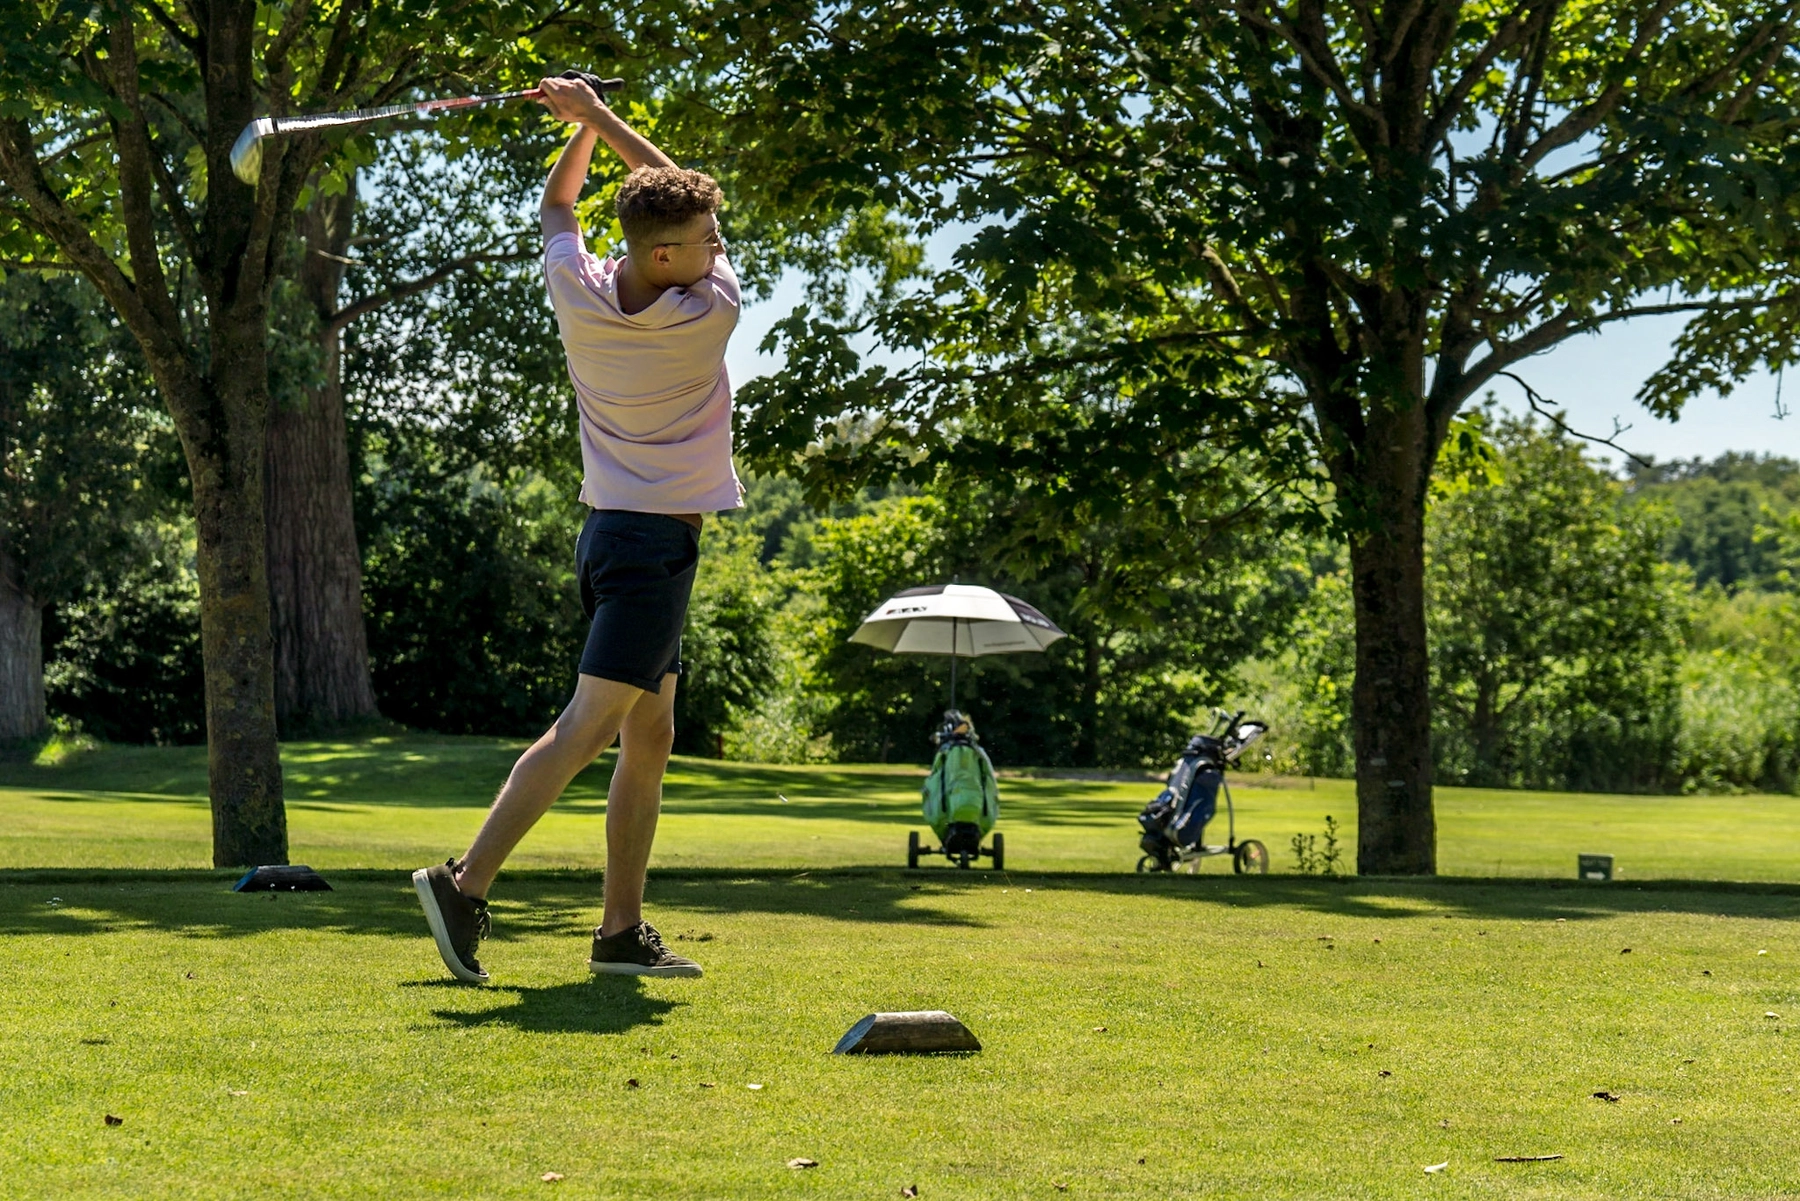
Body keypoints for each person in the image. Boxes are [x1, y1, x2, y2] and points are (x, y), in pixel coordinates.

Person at [413, 73, 741, 983]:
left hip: (610, 541)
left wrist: (582, 128)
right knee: (588, 728)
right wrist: (597, 113)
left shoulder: (577, 285)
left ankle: (619, 932)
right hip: (651, 549)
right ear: (668, 258)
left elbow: (560, 206)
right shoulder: (710, 310)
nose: (718, 246)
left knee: (650, 735)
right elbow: (663, 195)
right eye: (706, 240)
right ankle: (464, 883)